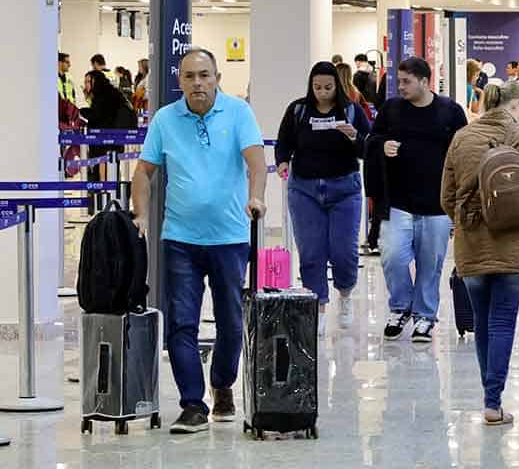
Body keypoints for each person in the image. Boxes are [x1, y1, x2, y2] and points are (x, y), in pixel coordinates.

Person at [130, 48, 267, 434]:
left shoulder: (238, 113)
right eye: (189, 76)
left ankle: (222, 384)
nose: (197, 83)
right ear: (180, 81)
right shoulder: (165, 119)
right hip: (180, 238)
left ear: (217, 77)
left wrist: (256, 196)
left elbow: (256, 163)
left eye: (204, 75)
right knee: (181, 323)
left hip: (230, 237)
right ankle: (192, 403)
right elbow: (144, 172)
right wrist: (140, 213)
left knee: (230, 320)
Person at [439, 82, 519, 426]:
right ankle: (493, 402)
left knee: (483, 322)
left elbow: (446, 195)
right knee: (503, 320)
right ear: (516, 106)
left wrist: (467, 220)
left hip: (472, 241)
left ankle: (490, 398)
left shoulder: (463, 137)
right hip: (514, 238)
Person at [371, 56, 467, 342]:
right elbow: (372, 140)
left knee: (430, 264)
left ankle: (425, 316)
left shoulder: (450, 112)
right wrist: (382, 145)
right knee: (393, 257)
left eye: (406, 81)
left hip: (437, 205)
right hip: (399, 202)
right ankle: (400, 306)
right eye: (398, 81)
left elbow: (464, 152)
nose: (400, 87)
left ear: (424, 81)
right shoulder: (391, 110)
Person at [275, 62, 372, 336]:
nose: (322, 93)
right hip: (304, 190)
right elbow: (284, 142)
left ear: (337, 86)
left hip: (345, 189)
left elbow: (369, 146)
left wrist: (355, 136)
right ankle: (317, 306)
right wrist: (282, 161)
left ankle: (344, 293)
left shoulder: (352, 110)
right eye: (317, 87)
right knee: (311, 252)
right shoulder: (298, 110)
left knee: (344, 251)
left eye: (328, 88)